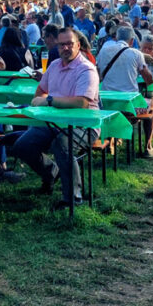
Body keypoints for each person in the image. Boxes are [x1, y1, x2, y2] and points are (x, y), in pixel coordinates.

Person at [12, 27, 101, 208]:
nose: (65, 48)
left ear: (78, 45)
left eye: (69, 44)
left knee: (62, 145)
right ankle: (51, 172)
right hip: (53, 123)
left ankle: (73, 199)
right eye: (62, 44)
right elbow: (40, 91)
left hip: (85, 125)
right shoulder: (54, 66)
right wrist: (41, 100)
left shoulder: (87, 69)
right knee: (22, 145)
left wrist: (49, 101)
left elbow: (82, 103)